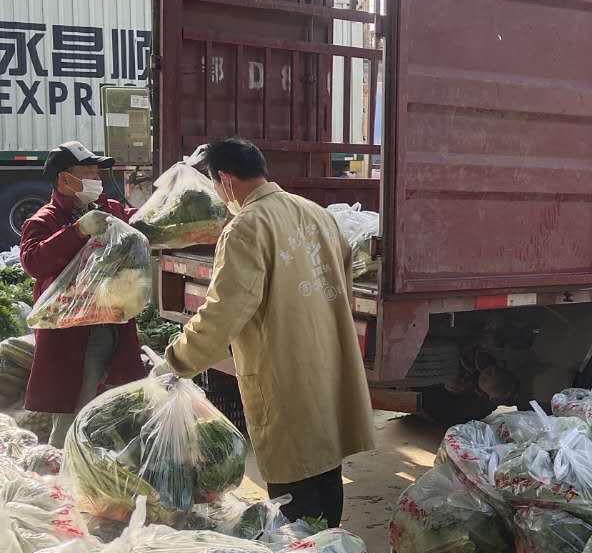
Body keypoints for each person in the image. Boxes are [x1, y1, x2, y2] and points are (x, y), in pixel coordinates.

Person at [160, 137, 374, 527]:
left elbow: (224, 313)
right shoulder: (317, 214)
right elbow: (341, 282)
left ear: (225, 180)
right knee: (326, 463)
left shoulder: (246, 226)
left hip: (284, 367)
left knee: (294, 474)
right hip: (326, 358)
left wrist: (176, 360)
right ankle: (333, 549)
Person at [20, 141, 145, 446]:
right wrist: (76, 231)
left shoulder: (107, 210)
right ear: (65, 179)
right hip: (72, 333)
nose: (97, 177)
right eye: (88, 170)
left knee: (114, 400)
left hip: (112, 321)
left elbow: (138, 224)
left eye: (97, 170)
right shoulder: (44, 220)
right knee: (75, 406)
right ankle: (60, 467)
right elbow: (34, 262)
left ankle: (96, 468)